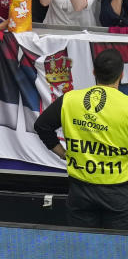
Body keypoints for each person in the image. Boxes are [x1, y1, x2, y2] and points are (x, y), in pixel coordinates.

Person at [34, 49, 128, 228]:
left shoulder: (70, 99)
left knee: (82, 249)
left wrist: (63, 154)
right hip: (117, 192)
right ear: (121, 75)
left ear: (94, 73)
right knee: (116, 251)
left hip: (80, 191)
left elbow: (41, 126)